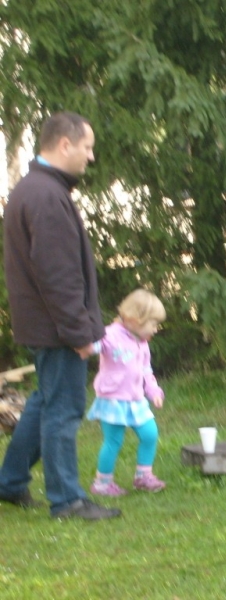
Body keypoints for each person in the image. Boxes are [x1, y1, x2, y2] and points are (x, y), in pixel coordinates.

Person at [0, 111, 121, 519]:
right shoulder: (46, 196)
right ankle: (67, 500)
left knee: (44, 401)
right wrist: (78, 332)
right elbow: (58, 276)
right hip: (57, 328)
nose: (91, 156)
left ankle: (10, 481)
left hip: (45, 325)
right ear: (64, 145)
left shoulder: (35, 189)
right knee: (63, 410)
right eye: (87, 147)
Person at [87, 289, 168, 496]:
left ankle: (143, 476)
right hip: (113, 399)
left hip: (136, 399)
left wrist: (153, 390)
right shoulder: (110, 335)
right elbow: (91, 347)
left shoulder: (142, 343)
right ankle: (102, 483)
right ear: (134, 319)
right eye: (153, 324)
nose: (156, 329)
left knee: (150, 434)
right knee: (113, 441)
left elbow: (146, 370)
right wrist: (85, 343)